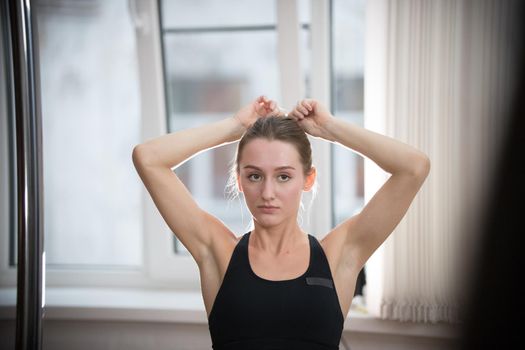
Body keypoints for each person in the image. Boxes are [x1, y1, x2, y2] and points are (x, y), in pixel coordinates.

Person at [132, 96, 430, 349]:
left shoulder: (338, 256)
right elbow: (148, 158)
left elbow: (414, 167)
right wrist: (234, 126)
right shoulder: (218, 252)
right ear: (239, 180)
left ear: (308, 179)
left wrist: (330, 127)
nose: (268, 193)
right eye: (254, 176)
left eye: (284, 176)